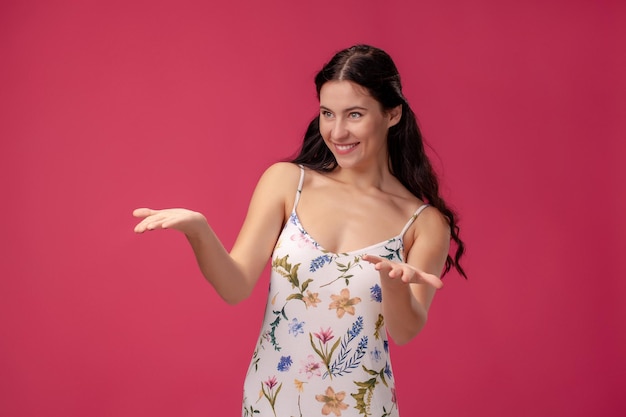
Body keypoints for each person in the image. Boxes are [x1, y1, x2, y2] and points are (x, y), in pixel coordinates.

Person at [133, 44, 466, 417]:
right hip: (271, 401)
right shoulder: (287, 182)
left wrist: (393, 283)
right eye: (327, 113)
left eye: (354, 114)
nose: (337, 131)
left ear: (392, 114)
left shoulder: (423, 223)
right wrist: (198, 230)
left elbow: (405, 332)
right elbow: (235, 286)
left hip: (363, 408)